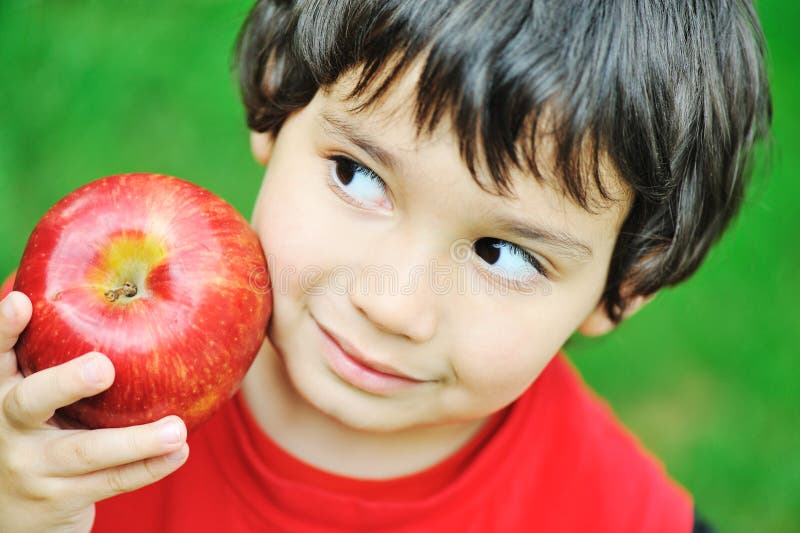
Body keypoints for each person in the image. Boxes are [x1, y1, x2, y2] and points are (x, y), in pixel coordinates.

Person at [0, 0, 771, 531]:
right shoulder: (50, 392)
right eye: (357, 176)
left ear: (627, 284)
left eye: (503, 252)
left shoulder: (610, 513)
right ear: (280, 97)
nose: (393, 304)